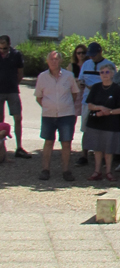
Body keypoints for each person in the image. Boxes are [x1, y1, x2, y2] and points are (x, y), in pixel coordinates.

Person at [35, 50, 80, 181]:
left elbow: (74, 93)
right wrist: (49, 106)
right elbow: (38, 97)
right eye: (51, 59)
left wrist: (64, 105)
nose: (54, 62)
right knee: (48, 142)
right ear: (48, 61)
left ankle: (66, 170)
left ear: (60, 61)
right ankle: (45, 170)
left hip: (66, 114)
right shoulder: (42, 77)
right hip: (49, 115)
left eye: (56, 59)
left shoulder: (69, 75)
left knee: (66, 143)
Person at [84, 62, 120, 181]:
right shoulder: (96, 87)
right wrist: (100, 108)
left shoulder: (117, 89)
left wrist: (110, 112)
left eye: (107, 72)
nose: (104, 75)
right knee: (97, 148)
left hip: (111, 124)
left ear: (112, 74)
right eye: (102, 72)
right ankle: (97, 171)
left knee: (109, 149)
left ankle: (108, 172)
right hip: (95, 122)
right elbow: (90, 105)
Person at [76, 42, 113, 166]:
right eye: (90, 55)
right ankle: (84, 155)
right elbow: (81, 79)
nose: (92, 57)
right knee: (86, 128)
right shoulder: (86, 64)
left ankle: (102, 156)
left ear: (100, 52)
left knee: (102, 129)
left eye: (94, 55)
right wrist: (82, 84)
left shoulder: (109, 65)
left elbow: (113, 83)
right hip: (88, 100)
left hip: (103, 101)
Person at [0, 35, 31, 158]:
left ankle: (19, 147)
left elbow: (20, 73)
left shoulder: (16, 55)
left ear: (9, 45)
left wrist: (14, 83)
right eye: (0, 48)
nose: (2, 51)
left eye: (5, 48)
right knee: (0, 121)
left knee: (18, 117)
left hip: (12, 90)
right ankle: (1, 148)